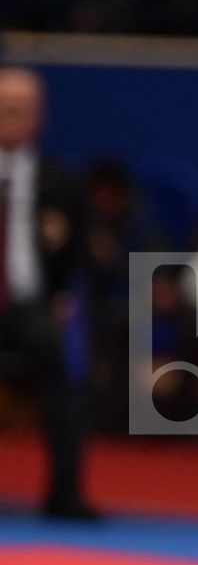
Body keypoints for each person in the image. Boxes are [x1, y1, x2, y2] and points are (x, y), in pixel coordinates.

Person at [0, 65, 98, 519]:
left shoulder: (59, 180)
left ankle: (64, 490)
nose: (11, 117)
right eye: (4, 108)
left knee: (66, 351)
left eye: (21, 110)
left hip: (29, 307)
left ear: (38, 116)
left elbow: (80, 252)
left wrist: (65, 294)